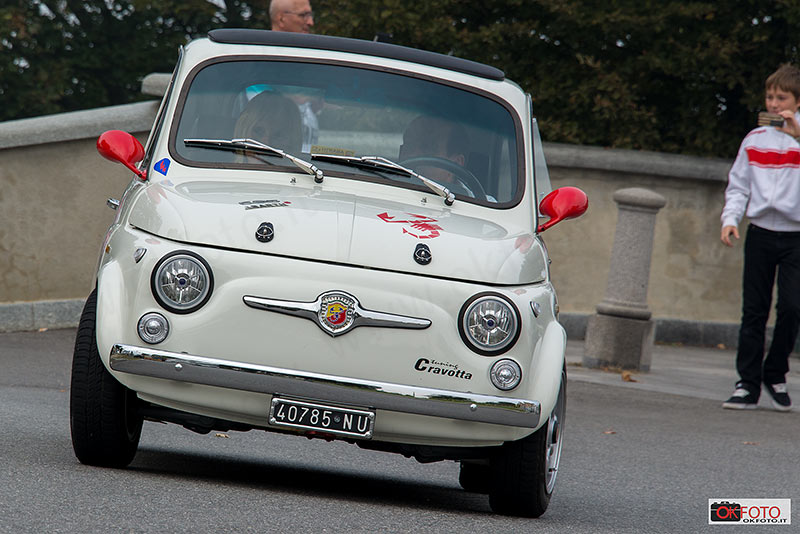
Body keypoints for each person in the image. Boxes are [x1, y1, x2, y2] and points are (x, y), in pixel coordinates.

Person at [720, 64, 800, 411]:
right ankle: (747, 383)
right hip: (760, 233)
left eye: (781, 98)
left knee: (792, 307)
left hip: (795, 236)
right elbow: (738, 184)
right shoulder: (754, 139)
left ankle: (775, 372)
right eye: (770, 97)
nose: (773, 103)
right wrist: (730, 219)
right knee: (754, 310)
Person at [234, 91, 303, 156]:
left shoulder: (303, 168)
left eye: (278, 136)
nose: (266, 144)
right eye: (258, 131)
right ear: (243, 132)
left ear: (293, 142)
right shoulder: (224, 166)